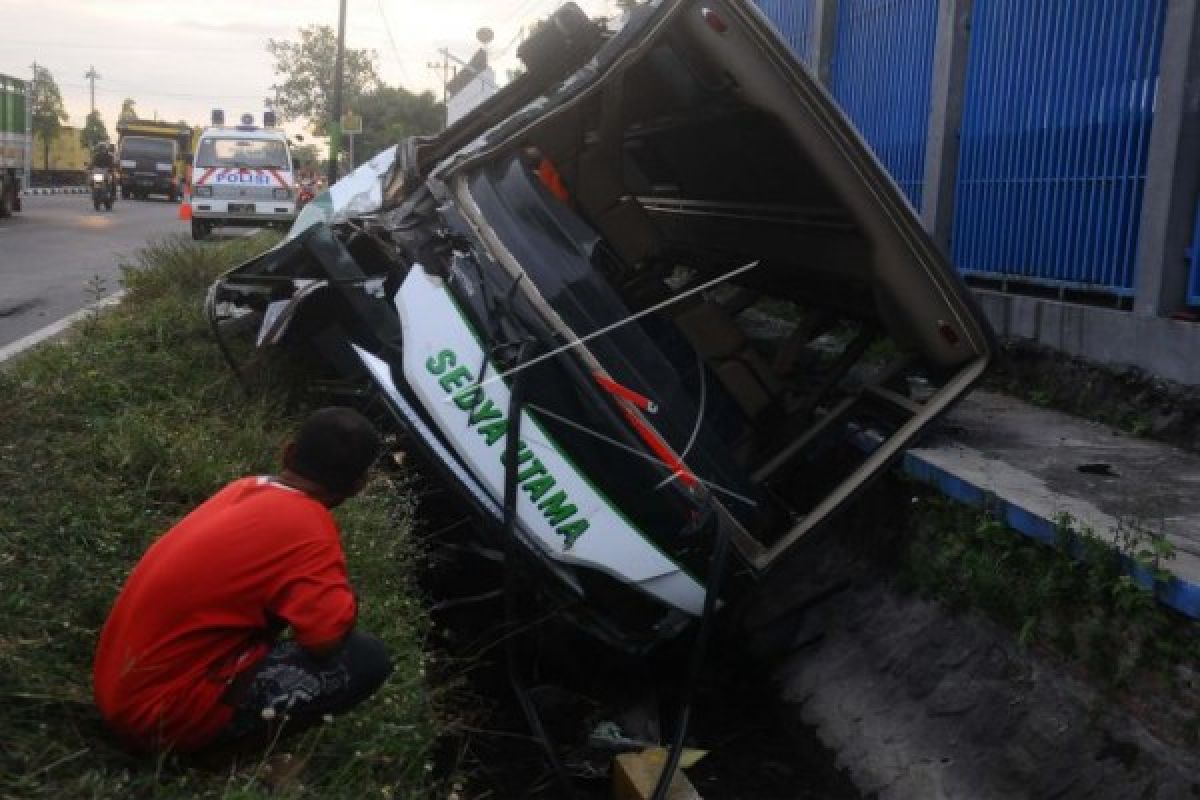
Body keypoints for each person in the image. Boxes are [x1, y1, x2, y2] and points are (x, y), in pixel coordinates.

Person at [93, 407, 392, 754]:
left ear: (288, 452)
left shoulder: (241, 489)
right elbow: (325, 640)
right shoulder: (311, 533)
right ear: (358, 486)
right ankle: (220, 755)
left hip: (115, 686)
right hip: (157, 719)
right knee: (367, 658)